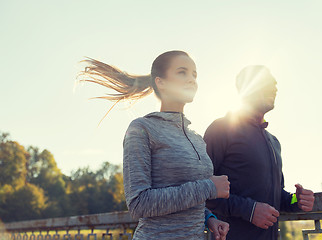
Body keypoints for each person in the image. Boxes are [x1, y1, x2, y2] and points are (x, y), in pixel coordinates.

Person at [79, 50, 230, 240]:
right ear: (161, 82)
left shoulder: (197, 139)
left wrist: (209, 218)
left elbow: (188, 197)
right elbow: (139, 204)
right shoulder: (142, 128)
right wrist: (208, 187)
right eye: (182, 72)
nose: (192, 79)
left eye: (194, 74)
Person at [204, 65, 315, 240]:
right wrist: (249, 210)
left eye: (275, 83)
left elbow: (278, 197)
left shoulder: (274, 141)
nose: (275, 87)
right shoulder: (221, 128)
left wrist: (297, 200)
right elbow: (202, 190)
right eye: (267, 82)